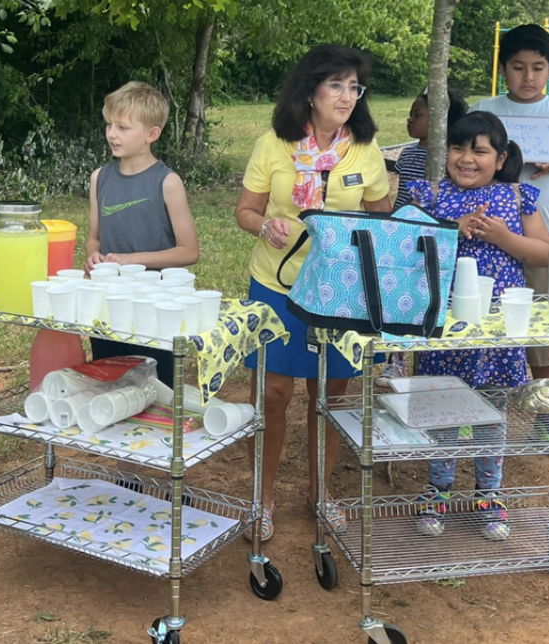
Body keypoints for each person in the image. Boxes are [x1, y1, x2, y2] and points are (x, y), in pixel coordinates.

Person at [234, 44, 392, 541]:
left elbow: (382, 214)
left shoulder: (364, 150)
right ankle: (263, 497)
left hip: (339, 289)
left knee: (329, 395)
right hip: (277, 283)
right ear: (310, 92)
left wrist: (364, 221)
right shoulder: (273, 145)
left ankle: (321, 493)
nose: (347, 96)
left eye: (354, 87)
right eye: (337, 85)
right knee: (275, 394)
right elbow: (245, 211)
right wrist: (264, 228)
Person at [401, 111, 549, 541]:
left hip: (497, 330)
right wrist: (452, 230)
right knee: (443, 412)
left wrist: (503, 238)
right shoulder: (428, 195)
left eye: (479, 151)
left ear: (501, 157)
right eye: (457, 147)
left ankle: (489, 493)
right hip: (444, 329)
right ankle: (438, 489)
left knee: (492, 413)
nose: (466, 158)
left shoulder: (517, 196)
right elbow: (407, 243)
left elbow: (544, 253)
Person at [470, 23, 549, 383]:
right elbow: (464, 161)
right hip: (484, 240)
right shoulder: (484, 109)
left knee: (542, 335)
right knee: (482, 328)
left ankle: (546, 407)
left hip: (543, 241)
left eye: (538, 68)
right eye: (518, 67)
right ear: (503, 68)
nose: (528, 77)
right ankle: (483, 404)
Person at [84, 81, 200, 385]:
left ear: (152, 134)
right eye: (109, 124)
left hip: (154, 309)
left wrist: (129, 260)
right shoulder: (99, 178)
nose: (112, 133)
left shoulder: (167, 182)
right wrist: (93, 258)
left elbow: (189, 251)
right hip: (108, 305)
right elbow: (94, 236)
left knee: (155, 388)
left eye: (123, 127)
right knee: (109, 383)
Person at [378, 87, 469, 386]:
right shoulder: (408, 153)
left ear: (440, 120)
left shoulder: (448, 158)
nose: (409, 120)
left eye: (417, 115)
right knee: (398, 298)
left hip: (432, 236)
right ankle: (397, 360)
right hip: (403, 231)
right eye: (410, 114)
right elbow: (403, 196)